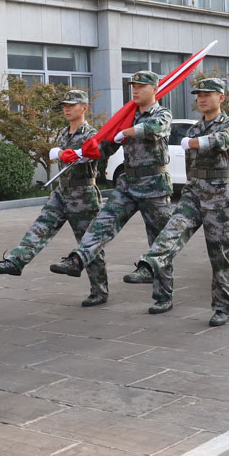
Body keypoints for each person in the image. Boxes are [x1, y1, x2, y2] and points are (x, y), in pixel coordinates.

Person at [123, 79, 229, 326]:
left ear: (221, 97)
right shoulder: (194, 128)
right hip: (194, 192)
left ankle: (222, 306)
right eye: (199, 95)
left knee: (220, 255)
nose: (202, 98)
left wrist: (196, 143)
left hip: (219, 197)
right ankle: (149, 265)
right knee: (172, 231)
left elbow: (223, 140)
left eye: (208, 94)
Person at [49, 71, 174, 303]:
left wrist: (124, 132)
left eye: (141, 86)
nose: (135, 90)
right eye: (133, 86)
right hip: (128, 184)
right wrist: (82, 153)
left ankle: (163, 296)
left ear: (155, 89)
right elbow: (104, 148)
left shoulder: (162, 114)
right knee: (102, 224)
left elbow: (154, 128)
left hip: (154, 185)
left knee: (159, 241)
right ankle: (78, 259)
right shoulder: (126, 116)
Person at [0, 90, 109, 306]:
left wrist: (63, 153)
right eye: (64, 105)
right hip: (61, 193)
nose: (67, 109)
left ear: (84, 107)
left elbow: (94, 154)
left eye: (71, 105)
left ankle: (99, 291)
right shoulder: (64, 133)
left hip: (83, 195)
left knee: (88, 244)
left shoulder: (92, 134)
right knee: (39, 228)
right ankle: (16, 261)